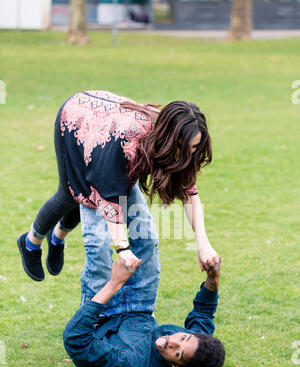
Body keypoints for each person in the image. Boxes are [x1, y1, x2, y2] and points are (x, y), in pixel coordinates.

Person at [17, 90, 220, 282]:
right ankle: (30, 243)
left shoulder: (179, 133)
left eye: (194, 148)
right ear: (169, 141)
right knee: (72, 193)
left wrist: (202, 244)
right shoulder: (125, 142)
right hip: (77, 119)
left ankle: (56, 238)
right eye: (185, 149)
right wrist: (123, 249)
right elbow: (109, 198)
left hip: (108, 133)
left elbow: (189, 193)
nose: (189, 156)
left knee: (86, 194)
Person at [63, 251, 225, 367]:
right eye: (183, 337)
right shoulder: (197, 343)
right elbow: (203, 314)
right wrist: (213, 279)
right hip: (139, 307)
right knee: (146, 242)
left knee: (99, 249)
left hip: (103, 315)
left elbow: (75, 339)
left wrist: (114, 284)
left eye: (177, 353)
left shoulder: (133, 365)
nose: (172, 342)